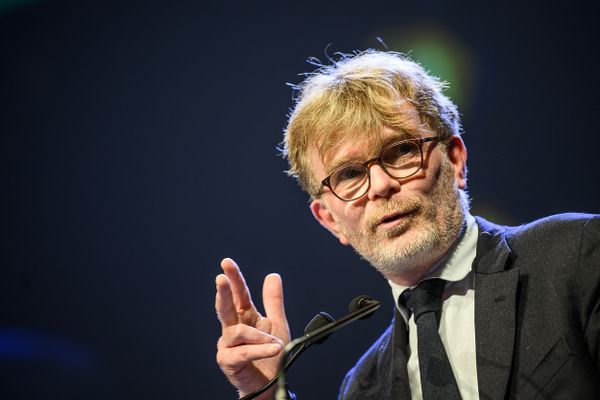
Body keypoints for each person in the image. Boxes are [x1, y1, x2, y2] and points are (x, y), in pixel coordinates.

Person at [214, 50, 600, 400]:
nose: (381, 186)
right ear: (330, 219)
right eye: (349, 174)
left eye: (401, 151)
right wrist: (266, 393)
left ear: (455, 160)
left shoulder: (576, 256)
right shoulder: (363, 387)